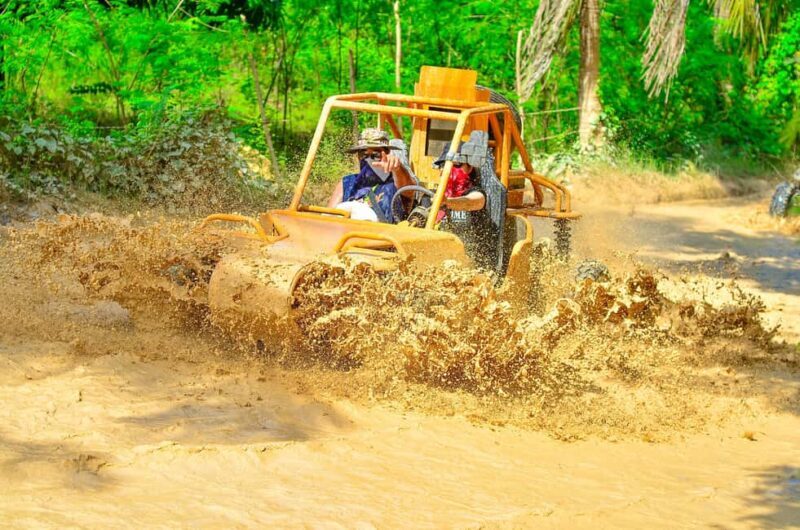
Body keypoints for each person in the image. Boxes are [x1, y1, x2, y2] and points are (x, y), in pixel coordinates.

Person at [327, 128, 415, 222]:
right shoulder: (348, 182)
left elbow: (409, 190)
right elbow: (328, 218)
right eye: (364, 155)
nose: (369, 160)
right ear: (358, 156)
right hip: (346, 234)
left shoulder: (396, 182)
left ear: (387, 154)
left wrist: (398, 169)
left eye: (375, 155)